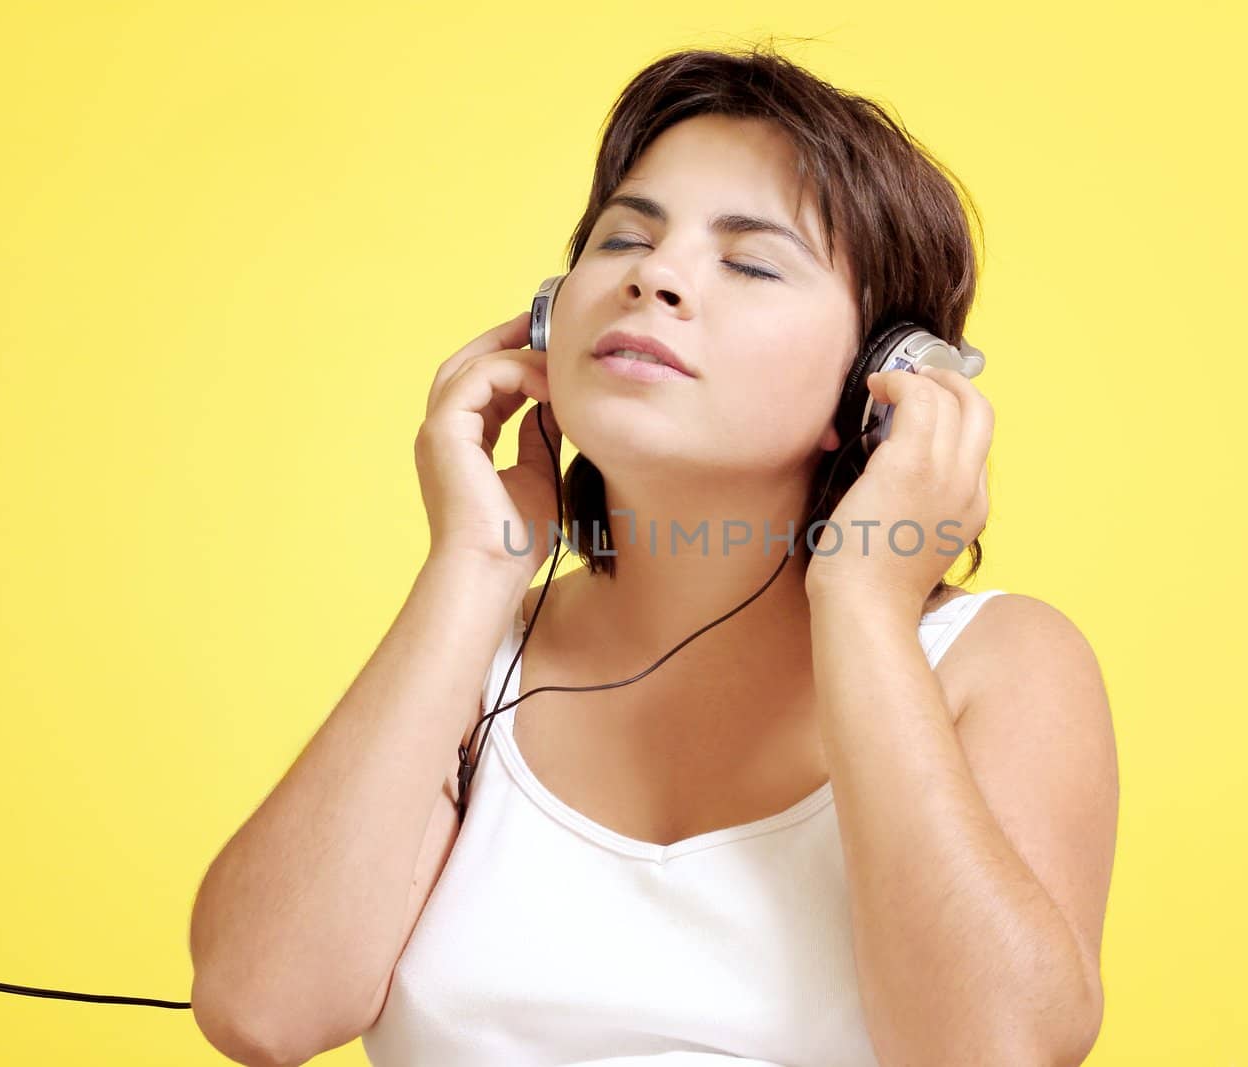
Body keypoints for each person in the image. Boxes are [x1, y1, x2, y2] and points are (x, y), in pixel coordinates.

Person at [190, 43, 1117, 1067]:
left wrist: (858, 599)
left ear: (877, 385)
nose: (653, 278)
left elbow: (999, 1048)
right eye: (623, 238)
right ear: (547, 319)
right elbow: (259, 1008)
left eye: (751, 261)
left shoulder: (997, 661)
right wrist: (471, 562)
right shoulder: (471, 654)